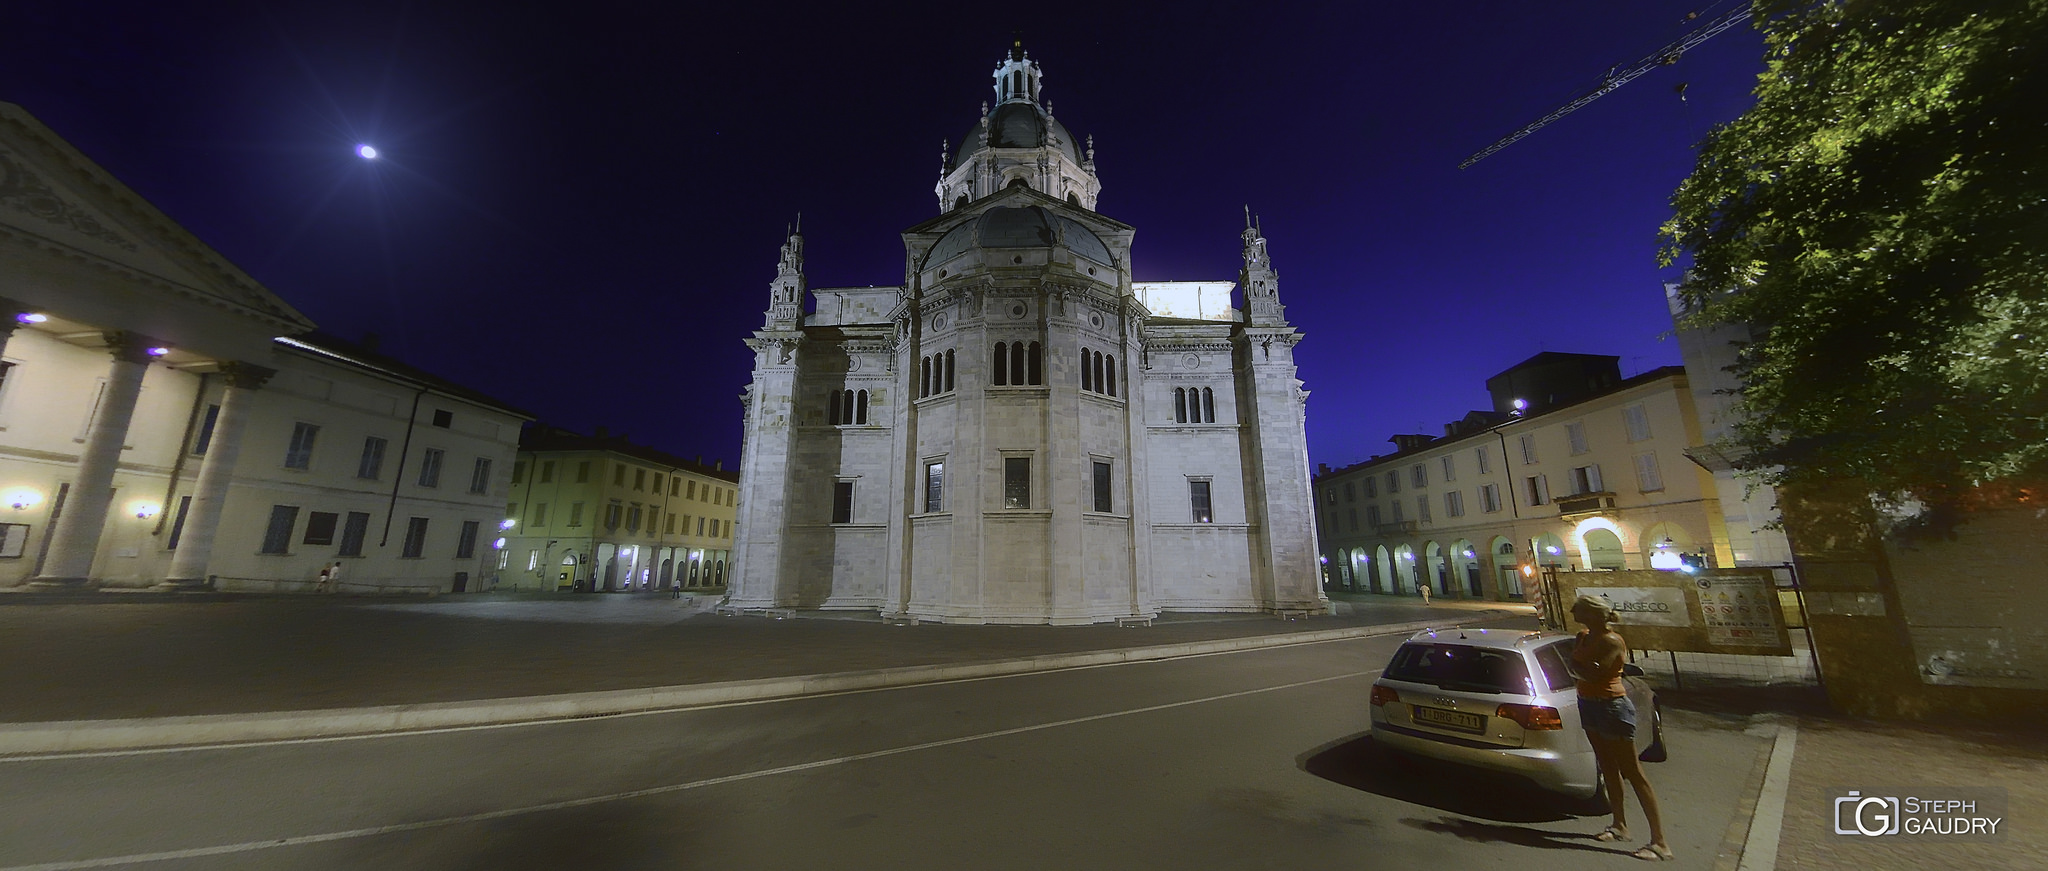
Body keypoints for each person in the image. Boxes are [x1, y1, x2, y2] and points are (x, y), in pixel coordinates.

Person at [1569, 594, 1673, 861]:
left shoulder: (1611, 640)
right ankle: (1619, 825)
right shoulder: (1583, 636)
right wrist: (1582, 667)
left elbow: (1595, 672)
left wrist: (1581, 667)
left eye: (1578, 608)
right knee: (1607, 766)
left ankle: (1659, 842)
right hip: (1588, 702)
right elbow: (1579, 668)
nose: (1572, 610)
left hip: (1611, 706)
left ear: (1592, 613)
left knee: (1632, 771)